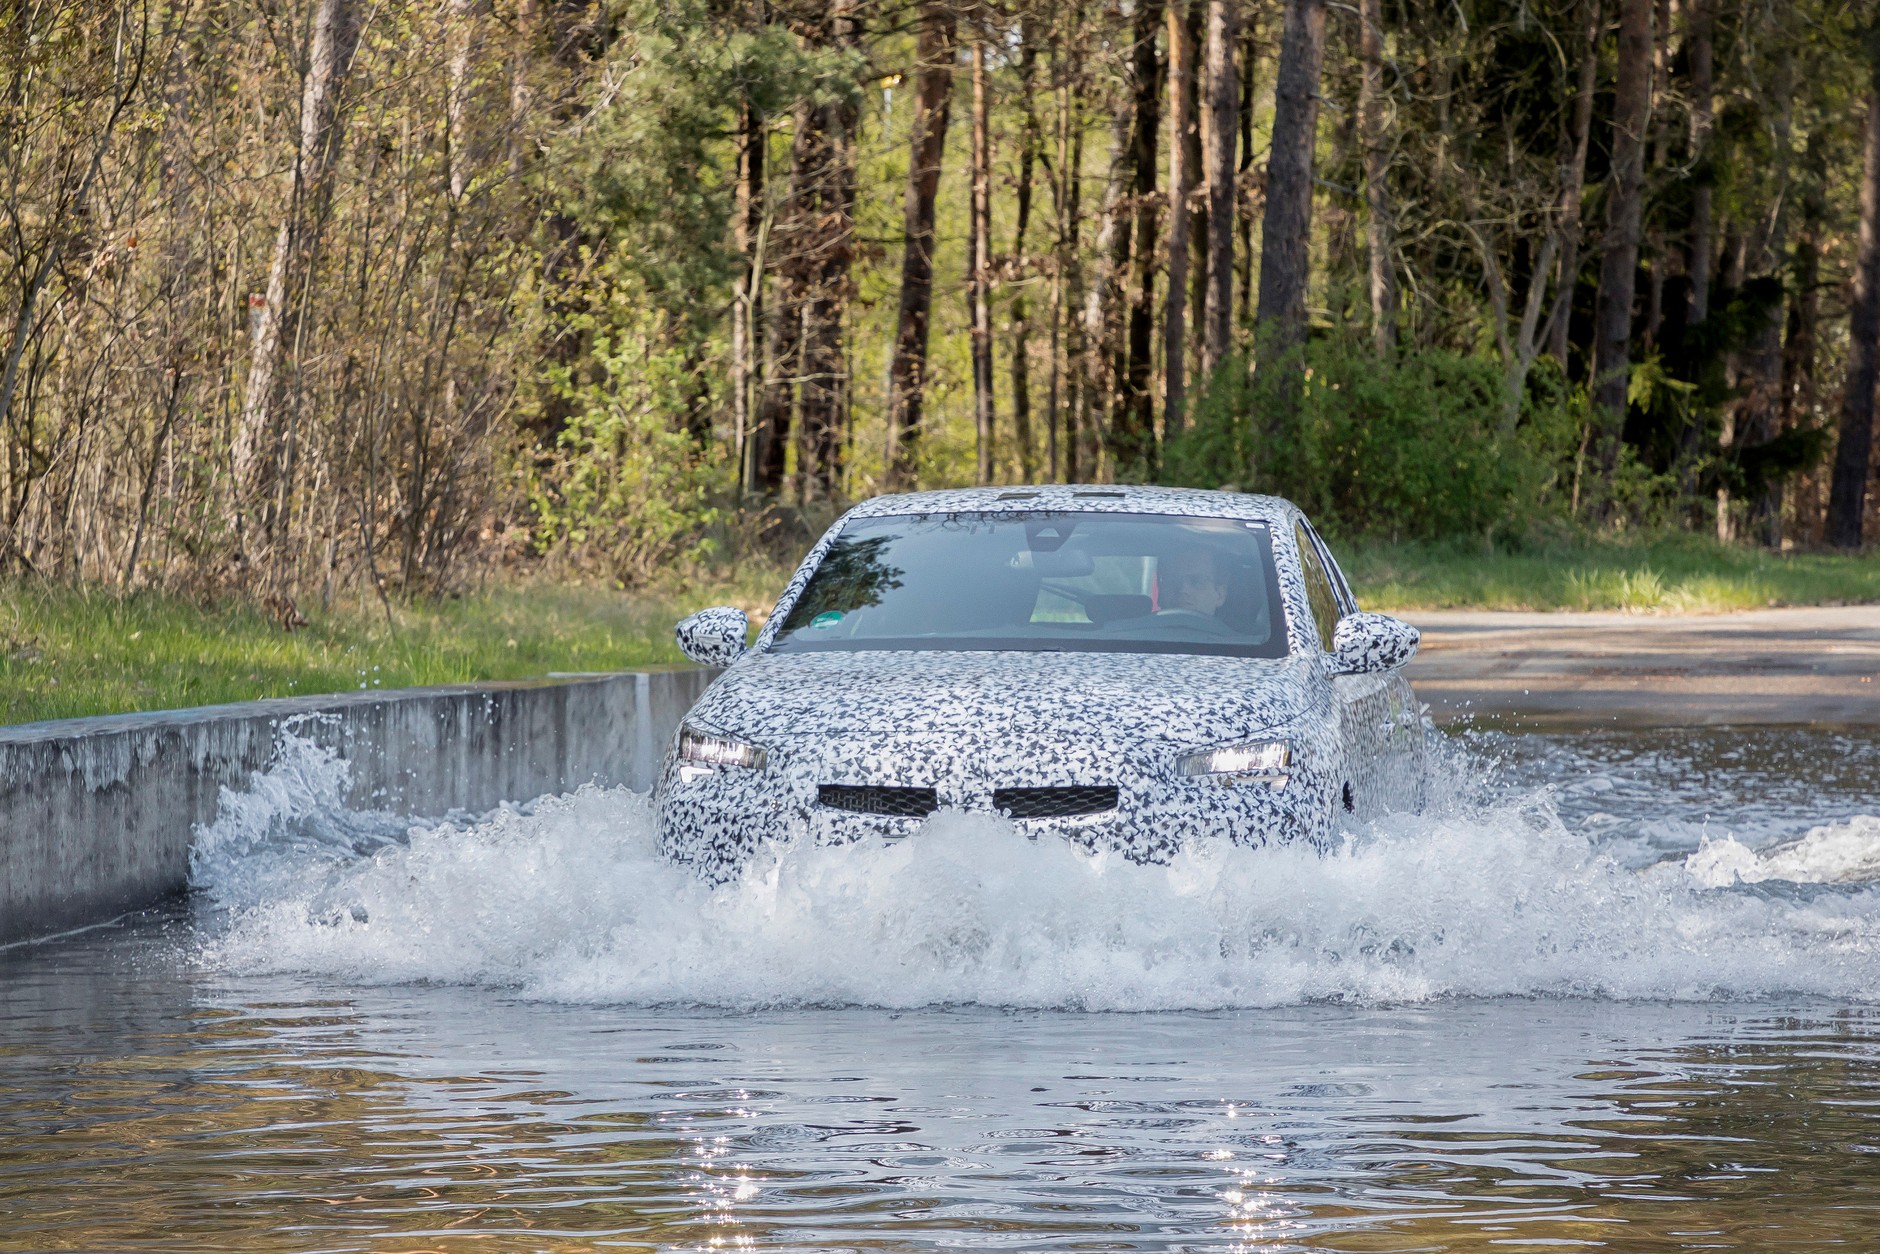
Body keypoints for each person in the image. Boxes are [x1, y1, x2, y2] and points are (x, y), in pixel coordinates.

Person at [1158, 549, 1227, 617]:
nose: (1183, 590)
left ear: (1220, 594)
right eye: (1173, 580)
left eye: (1196, 581)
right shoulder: (1147, 627)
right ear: (1160, 591)